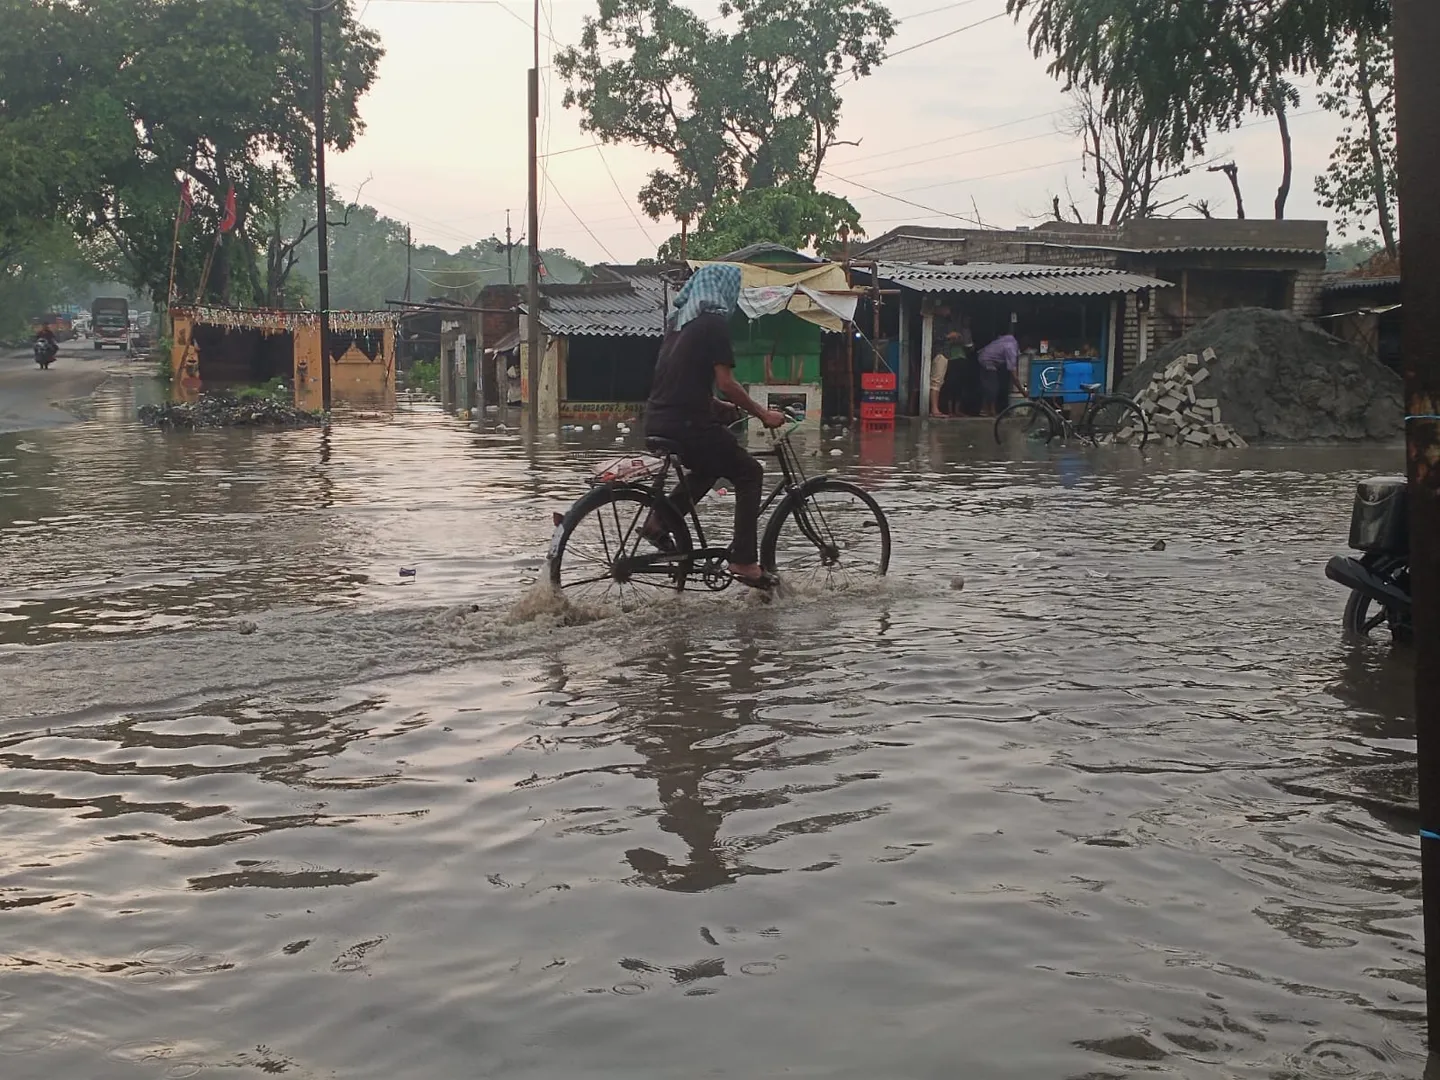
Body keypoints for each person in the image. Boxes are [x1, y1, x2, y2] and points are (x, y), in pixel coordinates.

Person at [644, 264, 787, 589]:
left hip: (658, 419)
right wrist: (762, 413)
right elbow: (726, 382)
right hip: (688, 424)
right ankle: (745, 561)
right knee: (750, 471)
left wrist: (718, 407)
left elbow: (680, 383)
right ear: (724, 290)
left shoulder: (677, 327)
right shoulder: (714, 324)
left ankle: (659, 521)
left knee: (708, 469)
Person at [977, 330, 1023, 416]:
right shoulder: (1011, 348)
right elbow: (1014, 375)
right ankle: (989, 410)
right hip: (987, 361)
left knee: (988, 385)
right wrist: (1023, 393)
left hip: (984, 357)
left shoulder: (1008, 340)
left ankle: (986, 409)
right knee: (993, 386)